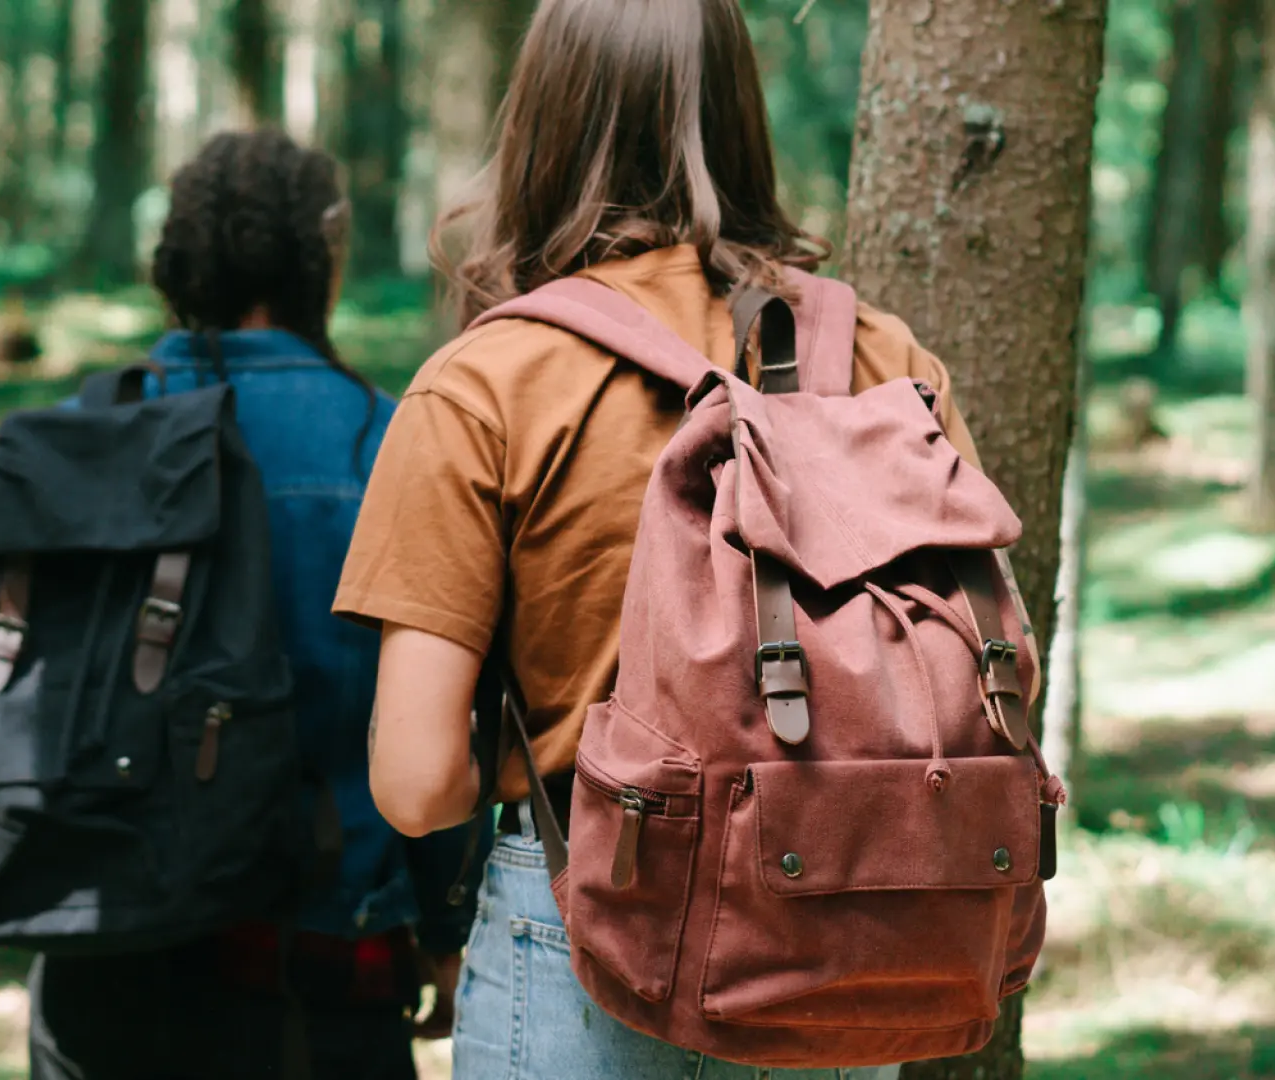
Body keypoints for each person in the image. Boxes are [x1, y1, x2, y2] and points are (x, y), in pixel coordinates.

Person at [330, 2, 989, 1077]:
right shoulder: (884, 356)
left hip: (582, 934)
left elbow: (413, 782)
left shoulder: (486, 383)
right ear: (741, 113)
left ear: (541, 122)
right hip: (851, 933)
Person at [0, 130, 484, 1080]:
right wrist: (450, 931)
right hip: (321, 973)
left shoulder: (88, 433)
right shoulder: (388, 445)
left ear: (175, 262)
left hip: (98, 957)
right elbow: (446, 725)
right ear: (322, 261)